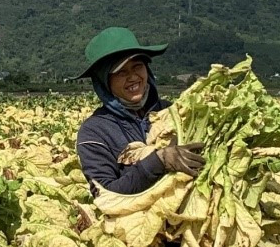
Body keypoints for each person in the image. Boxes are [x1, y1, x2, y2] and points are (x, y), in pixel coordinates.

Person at [74, 27, 205, 196]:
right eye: (121, 72)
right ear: (104, 81)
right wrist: (159, 161)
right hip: (136, 220)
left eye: (137, 66)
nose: (133, 76)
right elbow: (105, 194)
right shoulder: (94, 132)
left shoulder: (173, 111)